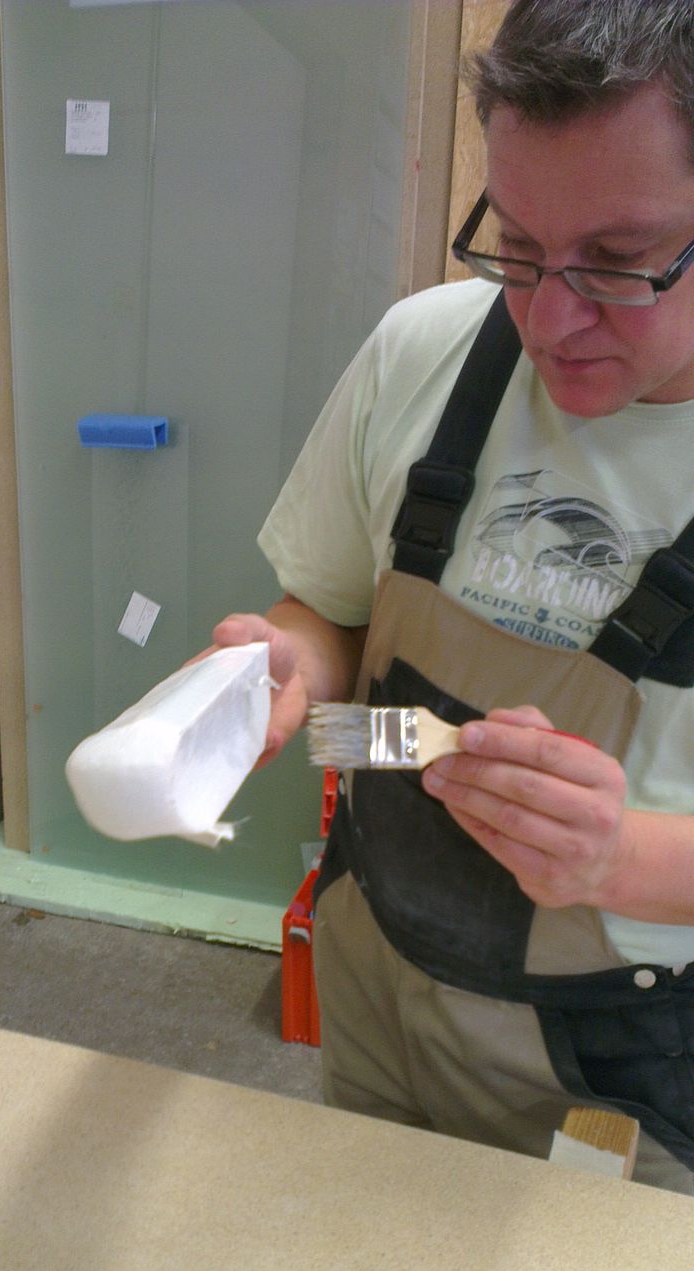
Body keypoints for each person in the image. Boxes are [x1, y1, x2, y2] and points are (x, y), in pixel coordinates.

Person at [210, 0, 694, 1193]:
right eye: (517, 246)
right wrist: (290, 674)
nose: (549, 320)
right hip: (374, 965)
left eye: (617, 262)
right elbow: (334, 625)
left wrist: (614, 858)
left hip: (619, 1051)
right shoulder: (421, 348)